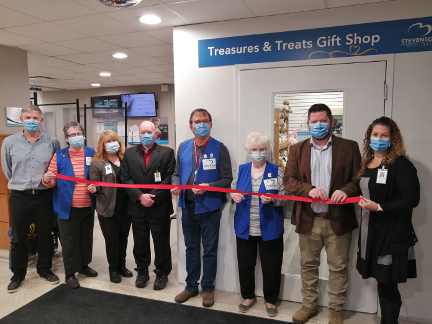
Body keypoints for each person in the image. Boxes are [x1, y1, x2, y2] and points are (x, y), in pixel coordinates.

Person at [283, 104, 361, 324]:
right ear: (308, 124)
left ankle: (335, 308)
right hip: (310, 219)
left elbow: (358, 179)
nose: (318, 125)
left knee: (338, 267)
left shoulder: (349, 147)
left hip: (338, 219)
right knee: (308, 265)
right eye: (314, 121)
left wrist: (346, 190)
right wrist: (308, 189)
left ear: (331, 122)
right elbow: (288, 181)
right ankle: (309, 305)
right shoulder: (296, 149)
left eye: (323, 121)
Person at [355, 117, 419, 324]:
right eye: (375, 135)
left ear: (393, 139)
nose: (379, 139)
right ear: (369, 137)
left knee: (388, 282)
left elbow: (411, 200)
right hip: (370, 232)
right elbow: (356, 189)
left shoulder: (400, 164)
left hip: (391, 235)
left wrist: (379, 207)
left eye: (384, 135)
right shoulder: (366, 163)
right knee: (381, 281)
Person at [171, 108, 232, 307]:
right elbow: (176, 173)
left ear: (211, 125)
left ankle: (207, 289)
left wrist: (209, 187)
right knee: (191, 248)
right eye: (197, 121)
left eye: (205, 121)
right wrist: (176, 184)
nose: (202, 124)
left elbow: (227, 179)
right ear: (191, 126)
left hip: (209, 207)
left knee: (210, 250)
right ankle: (191, 286)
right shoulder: (183, 146)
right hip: (188, 207)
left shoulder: (220, 148)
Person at [1, 105, 61, 293]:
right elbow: (7, 169)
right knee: (19, 237)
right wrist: (21, 183)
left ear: (41, 121)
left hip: (44, 196)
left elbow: (55, 168)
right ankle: (18, 273)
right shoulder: (9, 142)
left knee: (45, 234)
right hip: (20, 196)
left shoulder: (52, 142)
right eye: (28, 117)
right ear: (21, 119)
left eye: (36, 118)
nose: (32, 121)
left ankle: (44, 269)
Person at [231, 133, 290, 317]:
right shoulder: (241, 170)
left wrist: (273, 200)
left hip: (270, 227)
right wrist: (233, 196)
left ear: (267, 150)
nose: (258, 153)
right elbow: (232, 190)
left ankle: (271, 299)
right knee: (245, 264)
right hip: (245, 226)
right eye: (254, 149)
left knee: (271, 266)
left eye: (262, 149)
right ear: (248, 151)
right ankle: (247, 296)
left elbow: (286, 196)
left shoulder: (277, 170)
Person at [43, 122, 98, 289]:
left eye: (79, 133)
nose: (76, 137)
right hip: (67, 208)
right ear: (67, 139)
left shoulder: (92, 153)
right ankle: (70, 273)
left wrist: (96, 186)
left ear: (84, 136)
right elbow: (50, 180)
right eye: (72, 135)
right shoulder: (59, 155)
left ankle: (83, 266)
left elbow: (98, 175)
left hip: (88, 206)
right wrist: (47, 179)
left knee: (85, 239)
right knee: (69, 241)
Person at [121, 121, 175, 290]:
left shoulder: (167, 152)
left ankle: (162, 273)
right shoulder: (129, 154)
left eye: (149, 132)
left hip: (159, 206)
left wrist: (152, 197)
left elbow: (169, 177)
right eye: (143, 132)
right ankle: (142, 270)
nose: (146, 134)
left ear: (155, 133)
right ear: (139, 135)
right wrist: (140, 196)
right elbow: (125, 178)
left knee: (161, 242)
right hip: (137, 207)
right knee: (140, 242)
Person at [89, 130, 132, 284]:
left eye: (113, 140)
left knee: (123, 238)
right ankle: (113, 268)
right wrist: (94, 189)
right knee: (112, 239)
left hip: (126, 207)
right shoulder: (97, 163)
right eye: (107, 141)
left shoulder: (126, 159)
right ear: (103, 145)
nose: (111, 143)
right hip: (107, 208)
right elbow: (95, 184)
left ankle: (122, 266)